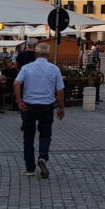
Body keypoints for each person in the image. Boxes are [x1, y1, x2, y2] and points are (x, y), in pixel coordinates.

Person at [13, 43, 66, 178]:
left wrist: (19, 101)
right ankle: (43, 157)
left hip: (29, 105)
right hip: (46, 106)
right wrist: (61, 107)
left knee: (28, 137)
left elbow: (16, 83)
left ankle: (30, 168)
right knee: (45, 135)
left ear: (36, 54)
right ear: (48, 55)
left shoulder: (27, 67)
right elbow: (60, 90)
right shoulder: (54, 69)